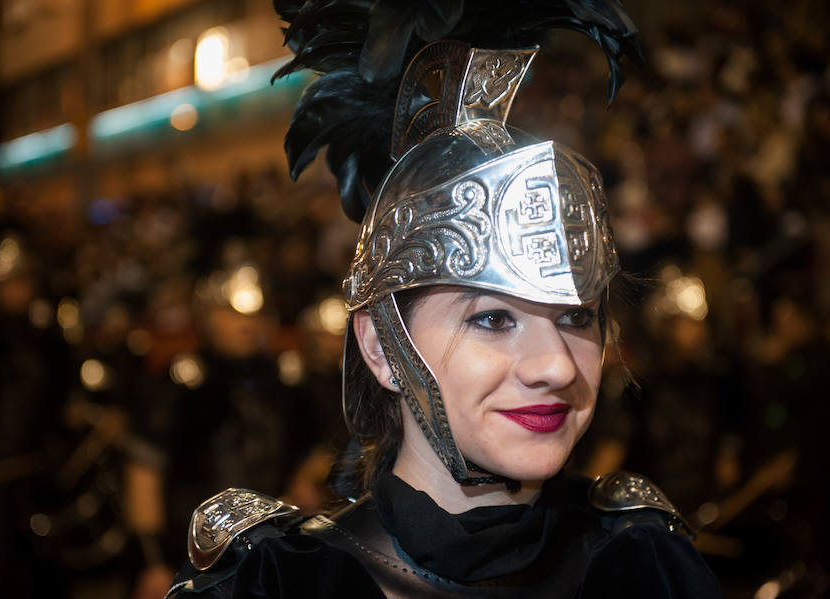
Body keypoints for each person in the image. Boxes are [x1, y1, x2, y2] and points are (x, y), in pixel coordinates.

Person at [166, 1, 723, 597]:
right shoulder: (276, 582)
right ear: (381, 346)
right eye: (493, 318)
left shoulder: (645, 564)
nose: (558, 366)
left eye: (577, 317)